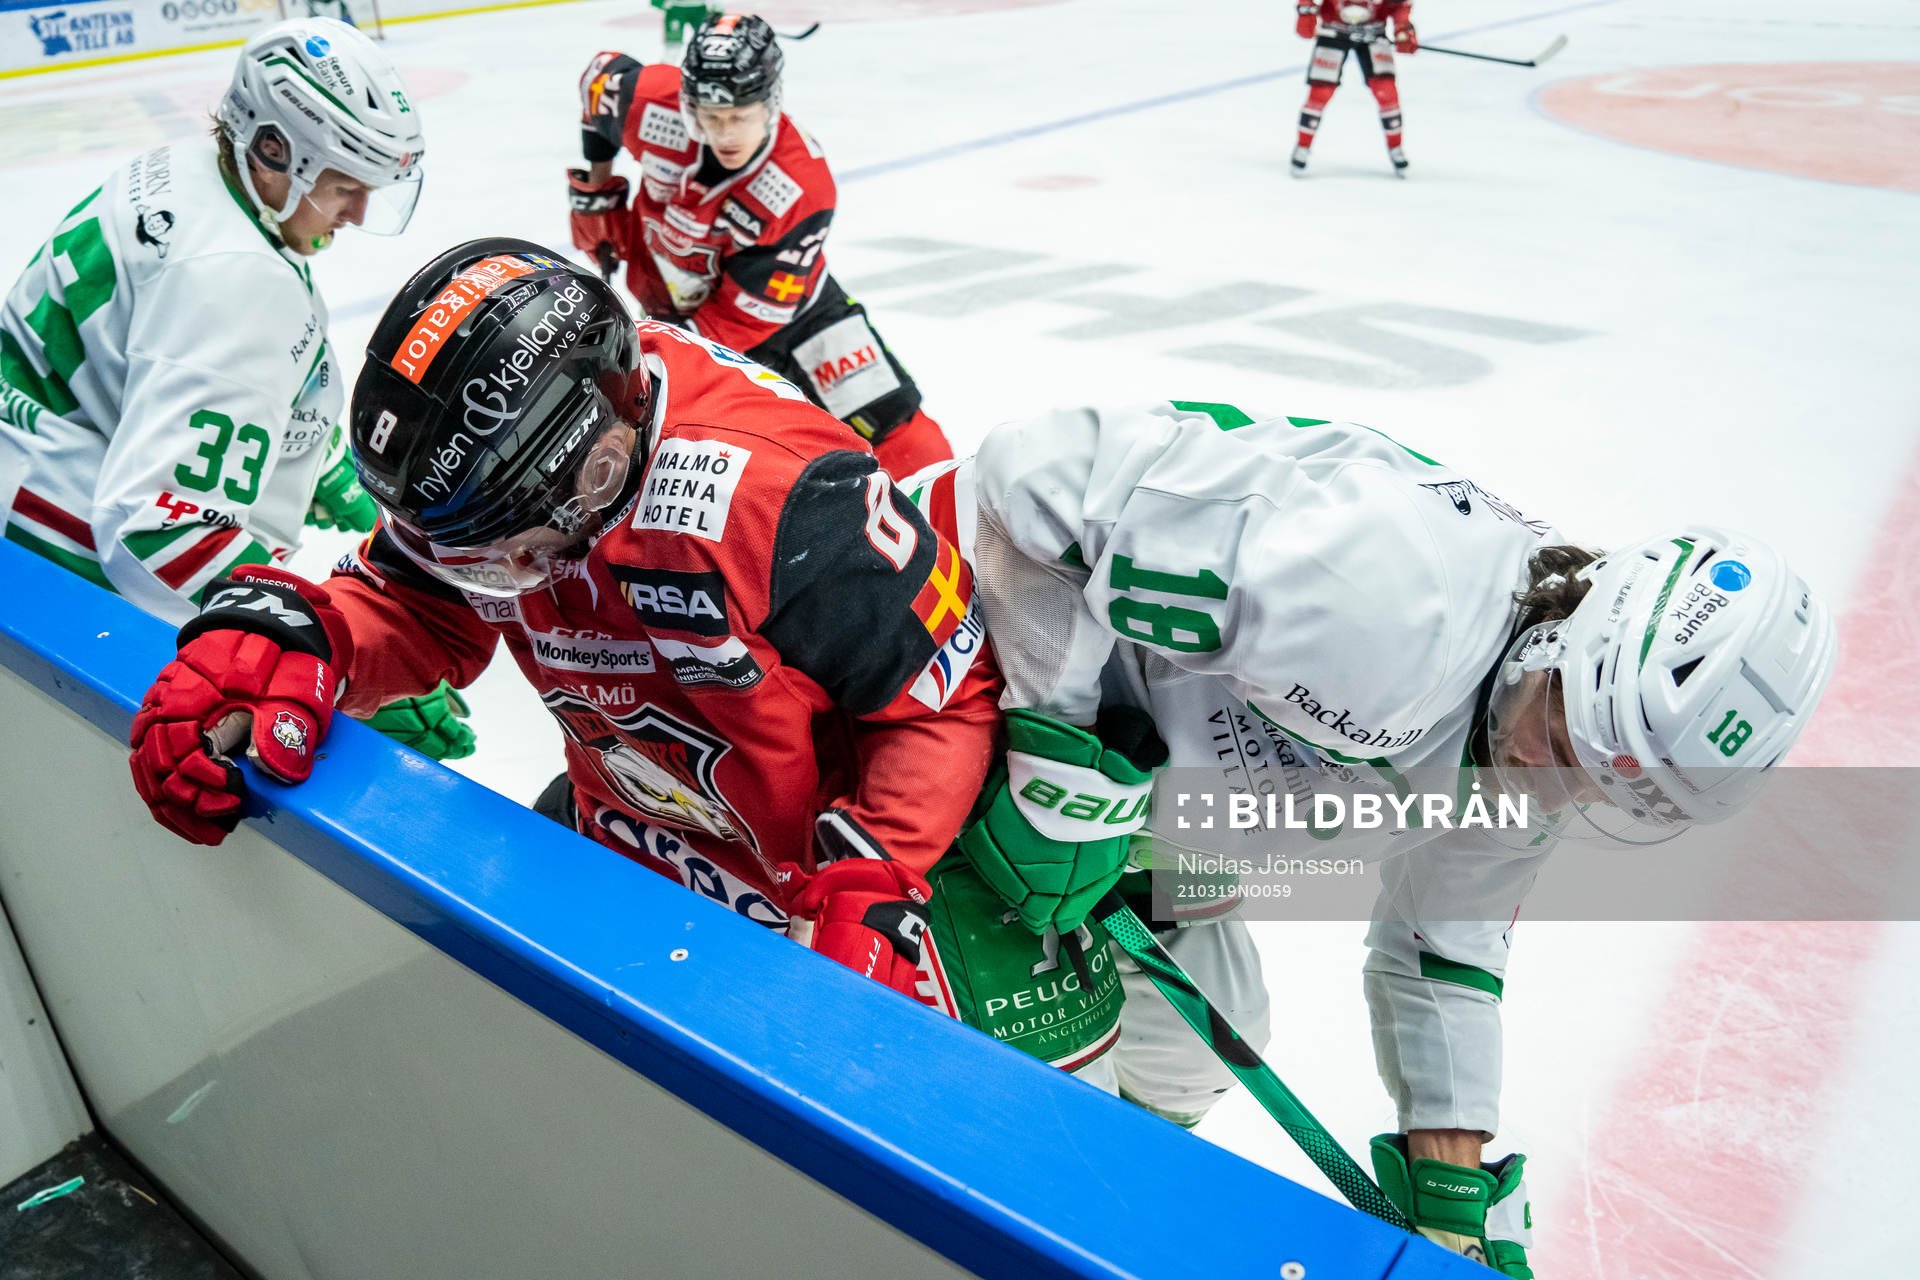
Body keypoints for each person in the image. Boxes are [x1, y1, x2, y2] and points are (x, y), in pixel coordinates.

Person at [932, 400, 1836, 1274]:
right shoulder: (1386, 603)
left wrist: (1453, 1177)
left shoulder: (1550, 728)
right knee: (1041, 1125)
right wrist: (1054, 747)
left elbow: (1444, 943)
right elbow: (1032, 478)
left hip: (1114, 833)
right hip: (953, 690)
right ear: (1562, 638)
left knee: (1189, 1053)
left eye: (1595, 791)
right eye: (1564, 751)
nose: (1547, 795)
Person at [124, 239, 1022, 1024]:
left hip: (807, 902)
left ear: (594, 471)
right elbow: (420, 599)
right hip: (627, 843)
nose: (487, 579)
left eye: (504, 550)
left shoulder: (772, 501)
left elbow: (939, 698)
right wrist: (302, 640)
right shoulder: (500, 477)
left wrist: (870, 881)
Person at [0, 19, 471, 761]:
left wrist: (320, 465)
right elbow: (160, 531)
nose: (358, 214)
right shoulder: (235, 281)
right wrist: (317, 654)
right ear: (274, 151)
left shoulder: (193, 174)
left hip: (30, 458)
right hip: (56, 552)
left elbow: (177, 377)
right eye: (344, 187)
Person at [565, 13, 954, 479]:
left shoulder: (798, 186)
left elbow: (738, 322)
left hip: (793, 316)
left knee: (904, 440)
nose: (725, 135)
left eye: (740, 118)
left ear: (771, 103)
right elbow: (599, 81)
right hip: (672, 291)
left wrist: (663, 349)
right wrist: (597, 187)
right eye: (710, 118)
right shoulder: (652, 103)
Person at [1291, 2, 1417, 177]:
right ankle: (1303, 146)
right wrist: (1307, 11)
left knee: (1386, 92)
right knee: (1320, 92)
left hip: (1373, 33)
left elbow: (1399, 5)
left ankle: (1396, 147)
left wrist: (1403, 28)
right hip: (1333, 32)